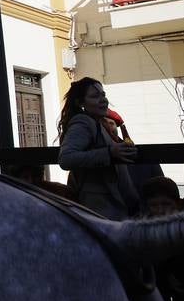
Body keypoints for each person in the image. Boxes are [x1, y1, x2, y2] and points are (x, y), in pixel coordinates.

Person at [57, 78, 139, 220]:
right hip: (99, 208)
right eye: (95, 96)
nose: (103, 100)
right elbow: (66, 159)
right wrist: (109, 153)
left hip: (109, 207)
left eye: (103, 95)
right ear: (81, 103)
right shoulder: (83, 123)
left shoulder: (97, 123)